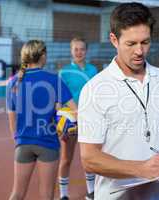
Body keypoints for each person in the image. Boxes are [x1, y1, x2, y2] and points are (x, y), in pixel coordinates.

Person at [78, 3, 159, 200]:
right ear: (114, 40)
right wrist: (141, 169)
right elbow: (90, 158)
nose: (140, 51)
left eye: (145, 42)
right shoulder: (94, 89)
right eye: (131, 44)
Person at [7, 40, 77, 200]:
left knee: (17, 194)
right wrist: (65, 123)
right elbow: (75, 111)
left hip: (22, 144)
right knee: (47, 196)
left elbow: (12, 120)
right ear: (43, 56)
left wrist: (18, 141)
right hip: (48, 143)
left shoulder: (13, 82)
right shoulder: (54, 79)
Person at [58, 37, 98, 200]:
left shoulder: (93, 70)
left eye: (82, 49)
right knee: (66, 158)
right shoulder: (64, 71)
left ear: (86, 51)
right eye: (76, 49)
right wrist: (60, 124)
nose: (79, 52)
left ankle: (91, 192)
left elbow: (96, 94)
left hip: (88, 118)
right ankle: (63, 195)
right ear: (71, 51)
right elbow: (59, 100)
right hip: (70, 120)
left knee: (88, 157)